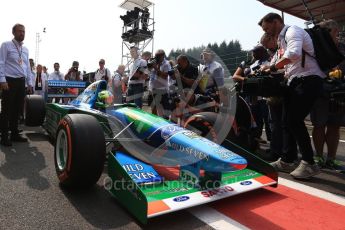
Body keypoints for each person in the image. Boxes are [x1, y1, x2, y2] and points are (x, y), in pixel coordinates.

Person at [259, 12, 326, 179]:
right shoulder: (282, 39)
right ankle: (288, 160)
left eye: (268, 29)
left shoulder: (292, 31)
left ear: (276, 22)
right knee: (286, 122)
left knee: (293, 120)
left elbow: (294, 54)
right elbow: (287, 63)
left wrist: (272, 68)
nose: (267, 33)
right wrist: (270, 67)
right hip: (295, 81)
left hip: (308, 79)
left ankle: (309, 164)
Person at [310, 19, 345, 170]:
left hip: (339, 92)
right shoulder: (315, 48)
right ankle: (319, 156)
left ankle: (331, 159)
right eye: (335, 32)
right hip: (319, 91)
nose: (337, 35)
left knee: (335, 125)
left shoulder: (343, 48)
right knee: (319, 125)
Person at [0, 23, 33, 146]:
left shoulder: (25, 49)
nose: (22, 33)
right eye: (19, 31)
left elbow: (27, 67)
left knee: (17, 109)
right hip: (9, 80)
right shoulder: (6, 45)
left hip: (21, 81)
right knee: (6, 110)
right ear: (13, 32)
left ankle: (14, 134)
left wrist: (29, 82)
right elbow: (1, 62)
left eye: (23, 31)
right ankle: (4, 137)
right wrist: (2, 80)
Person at [148, 49, 172, 118]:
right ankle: (155, 122)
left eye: (158, 56)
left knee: (164, 110)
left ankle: (165, 123)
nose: (156, 57)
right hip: (152, 89)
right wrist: (150, 67)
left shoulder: (166, 64)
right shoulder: (154, 62)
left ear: (163, 56)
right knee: (153, 108)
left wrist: (156, 68)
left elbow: (165, 76)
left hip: (162, 90)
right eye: (156, 56)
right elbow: (149, 73)